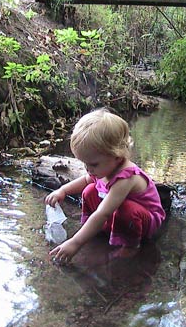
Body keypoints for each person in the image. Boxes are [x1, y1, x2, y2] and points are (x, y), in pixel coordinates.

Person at [45, 108, 166, 262]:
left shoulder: (126, 178)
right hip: (115, 211)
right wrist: (63, 190)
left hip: (144, 220)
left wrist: (75, 243)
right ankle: (96, 229)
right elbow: (85, 181)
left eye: (93, 164)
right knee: (89, 191)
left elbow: (103, 213)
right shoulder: (103, 168)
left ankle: (130, 246)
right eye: (84, 163)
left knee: (126, 210)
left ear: (116, 156)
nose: (88, 169)